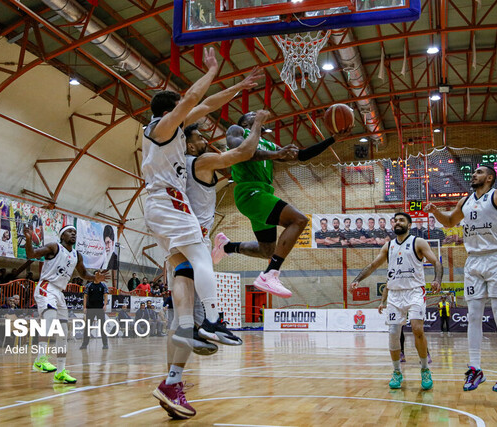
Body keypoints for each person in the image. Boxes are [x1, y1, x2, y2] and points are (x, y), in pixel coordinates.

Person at [142, 48, 256, 419]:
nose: (189, 119)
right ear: (167, 111)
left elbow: (203, 105)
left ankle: (174, 376)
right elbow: (193, 99)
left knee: (184, 276)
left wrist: (237, 86)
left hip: (162, 209)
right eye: (179, 110)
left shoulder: (173, 135)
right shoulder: (161, 130)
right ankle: (213, 320)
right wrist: (212, 68)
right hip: (169, 204)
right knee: (202, 257)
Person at [425, 165, 497, 393]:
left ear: (489, 177)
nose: (474, 175)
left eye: (479, 172)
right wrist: (435, 212)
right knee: (474, 316)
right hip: (473, 261)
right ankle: (475, 369)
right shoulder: (465, 202)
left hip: (496, 259)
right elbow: (449, 222)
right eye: (474, 172)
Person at [211, 110, 352, 298]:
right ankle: (271, 273)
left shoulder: (268, 144)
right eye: (252, 113)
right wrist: (274, 151)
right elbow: (244, 153)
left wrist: (332, 139)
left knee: (266, 250)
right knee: (299, 220)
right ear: (244, 121)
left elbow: (301, 155)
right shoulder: (237, 131)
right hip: (249, 191)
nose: (257, 113)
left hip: (264, 192)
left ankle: (227, 247)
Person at [181, 111, 269, 347]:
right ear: (189, 145)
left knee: (186, 282)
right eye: (199, 138)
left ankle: (190, 329)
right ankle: (211, 322)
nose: (205, 141)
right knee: (200, 273)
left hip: (180, 229)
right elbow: (242, 154)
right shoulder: (201, 160)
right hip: (194, 230)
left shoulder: (183, 163)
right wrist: (258, 123)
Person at [351, 212, 442, 390]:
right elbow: (372, 266)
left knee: (417, 328)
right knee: (393, 332)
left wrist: (437, 279)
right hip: (394, 294)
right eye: (395, 221)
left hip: (415, 291)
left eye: (402, 220)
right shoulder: (388, 246)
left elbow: (436, 262)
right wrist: (357, 279)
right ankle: (397, 371)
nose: (397, 223)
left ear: (409, 224)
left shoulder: (418, 242)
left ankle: (424, 369)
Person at [25, 224, 108, 385]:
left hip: (59, 293)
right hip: (46, 286)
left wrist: (95, 278)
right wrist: (29, 240)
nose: (73, 234)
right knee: (50, 318)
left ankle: (61, 371)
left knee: (63, 332)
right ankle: (40, 358)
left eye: (75, 232)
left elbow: (84, 274)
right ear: (62, 236)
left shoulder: (77, 255)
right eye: (70, 231)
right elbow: (31, 253)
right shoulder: (54, 247)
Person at [79, 279, 110, 350]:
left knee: (102, 326)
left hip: (100, 309)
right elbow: (85, 296)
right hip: (90, 309)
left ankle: (105, 344)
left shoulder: (103, 285)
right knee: (87, 327)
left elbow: (105, 296)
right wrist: (84, 307)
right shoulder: (89, 285)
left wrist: (105, 305)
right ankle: (84, 344)